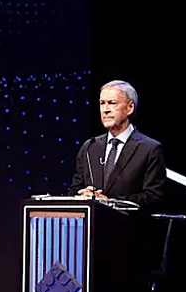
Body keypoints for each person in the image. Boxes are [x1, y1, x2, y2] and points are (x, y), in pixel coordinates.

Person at [70, 80, 165, 209]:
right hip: (93, 226)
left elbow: (154, 197)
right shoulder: (89, 147)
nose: (105, 110)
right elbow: (74, 190)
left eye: (112, 103)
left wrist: (111, 202)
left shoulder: (149, 149)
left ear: (130, 107)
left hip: (129, 225)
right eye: (102, 103)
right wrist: (83, 196)